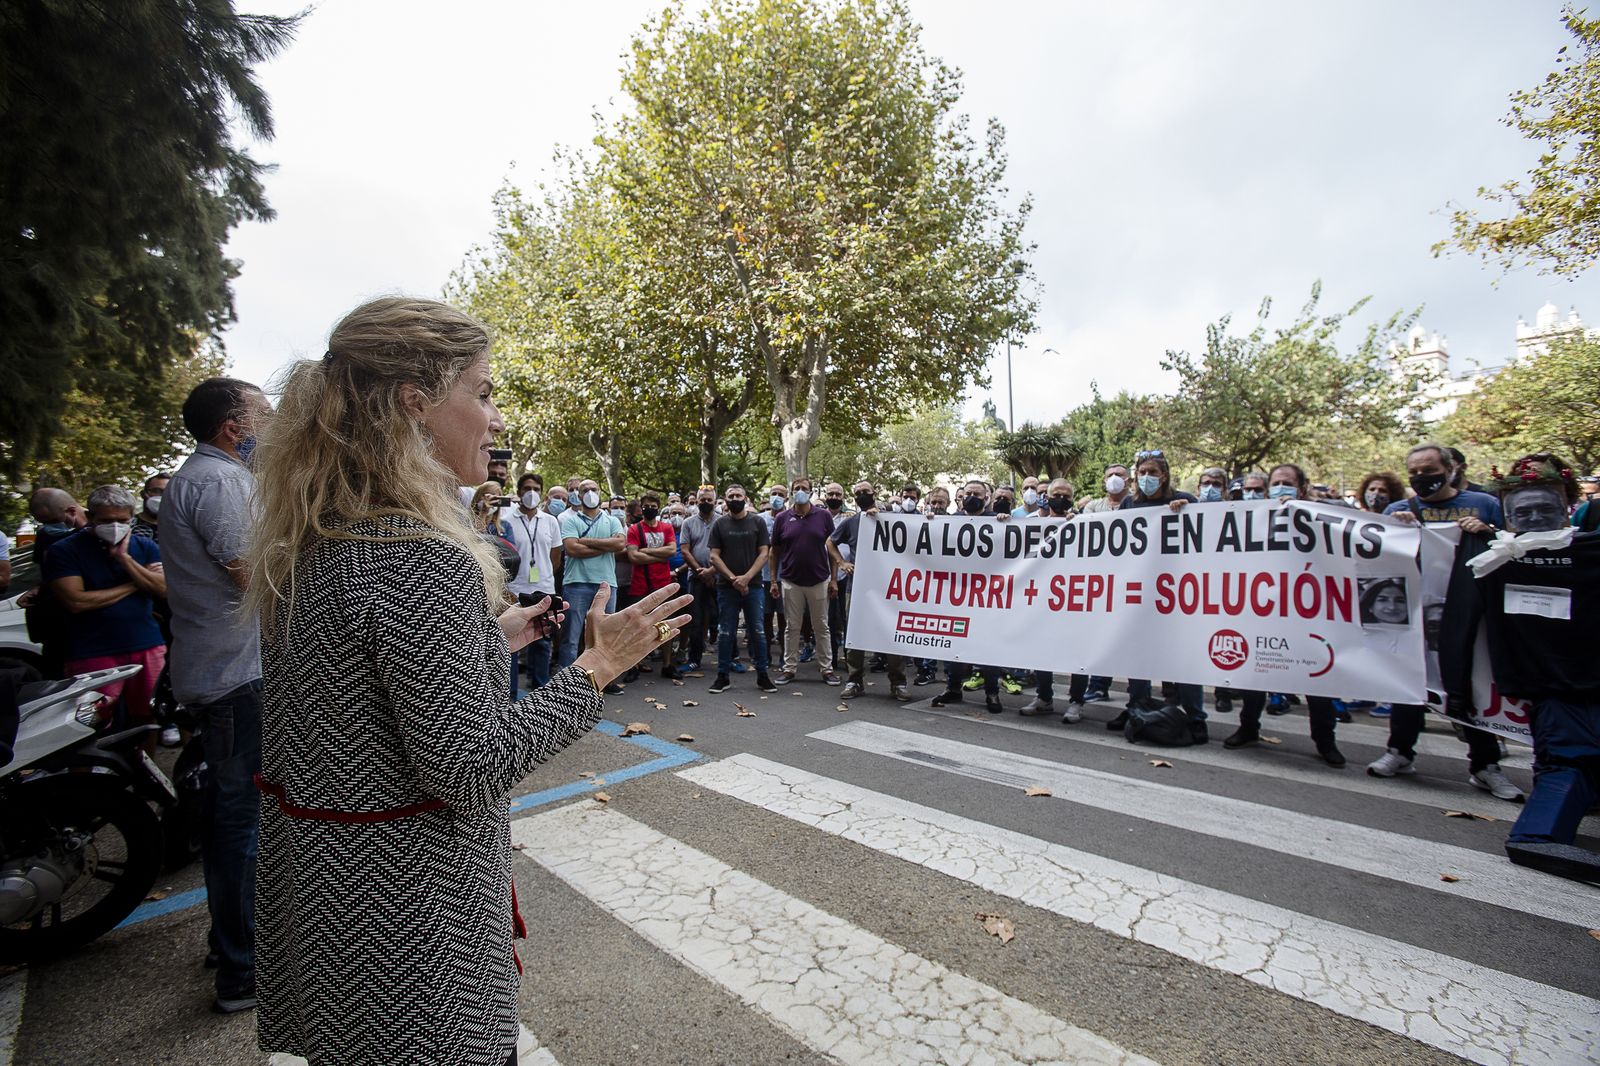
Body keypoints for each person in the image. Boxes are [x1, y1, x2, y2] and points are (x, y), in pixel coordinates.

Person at [246, 296, 691, 1065]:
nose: (496, 419)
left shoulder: (315, 537)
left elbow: (357, 700)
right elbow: (467, 767)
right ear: (414, 404)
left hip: (331, 918)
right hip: (408, 938)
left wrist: (490, 638)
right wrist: (598, 667)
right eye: (483, 393)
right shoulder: (418, 555)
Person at [161, 375, 272, 1010]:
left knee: (240, 818)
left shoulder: (218, 479)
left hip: (230, 671)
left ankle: (230, 942)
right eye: (261, 412)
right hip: (235, 677)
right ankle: (241, 967)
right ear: (233, 427)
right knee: (239, 823)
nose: (270, 421)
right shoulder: (218, 481)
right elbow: (251, 574)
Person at [1442, 455, 1595, 881]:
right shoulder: (1495, 556)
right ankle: (1537, 834)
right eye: (1521, 512)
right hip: (1550, 684)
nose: (1532, 518)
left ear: (1565, 506)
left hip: (1585, 676)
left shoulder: (1589, 549)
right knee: (1566, 757)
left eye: (1543, 509)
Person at [1362, 445, 1521, 798]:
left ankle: (1485, 765)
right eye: (1414, 471)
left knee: (1471, 683)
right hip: (1416, 613)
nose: (1421, 476)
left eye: (1429, 469)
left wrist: (1487, 531)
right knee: (1410, 684)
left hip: (1467, 612)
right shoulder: (1398, 509)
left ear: (1450, 469)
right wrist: (1393, 527)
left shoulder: (1484, 505)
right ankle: (1400, 752)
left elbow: (1511, 548)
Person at [1223, 463, 1346, 766]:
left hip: (1307, 611)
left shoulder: (1320, 515)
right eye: (1274, 484)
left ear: (1302, 487)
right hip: (1262, 608)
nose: (1279, 489)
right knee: (1256, 672)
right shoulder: (1252, 519)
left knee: (1317, 678)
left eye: (1286, 483)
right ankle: (1248, 727)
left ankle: (1325, 740)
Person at [41, 484, 167, 747]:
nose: (115, 526)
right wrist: (136, 583)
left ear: (132, 517)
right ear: (91, 516)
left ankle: (144, 776)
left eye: (122, 520)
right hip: (92, 651)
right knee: (88, 723)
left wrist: (125, 560)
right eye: (106, 521)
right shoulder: (64, 551)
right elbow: (76, 601)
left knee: (147, 717)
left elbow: (164, 590)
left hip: (146, 644)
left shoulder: (143, 546)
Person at [1112, 451, 1206, 742]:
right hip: (1141, 592)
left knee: (1183, 658)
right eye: (1142, 472)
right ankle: (1135, 707)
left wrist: (1186, 513)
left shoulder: (1186, 501)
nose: (1146, 477)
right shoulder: (1131, 503)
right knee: (1138, 658)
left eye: (1152, 472)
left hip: (1177, 594)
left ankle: (1196, 718)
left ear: (1164, 475)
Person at [932, 479, 1007, 712]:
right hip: (956, 595)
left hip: (986, 597)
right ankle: (953, 688)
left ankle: (992, 693)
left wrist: (1006, 523)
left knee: (986, 646)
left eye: (977, 493)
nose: (972, 497)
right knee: (952, 644)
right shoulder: (949, 522)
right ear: (961, 497)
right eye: (968, 493)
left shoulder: (997, 521)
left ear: (987, 498)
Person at [833, 480, 910, 702]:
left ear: (874, 493)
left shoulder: (891, 518)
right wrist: (842, 563)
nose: (861, 495)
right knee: (854, 634)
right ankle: (854, 680)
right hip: (858, 587)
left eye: (865, 492)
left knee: (893, 632)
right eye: (857, 493)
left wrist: (881, 515)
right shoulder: (852, 522)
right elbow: (830, 543)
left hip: (890, 588)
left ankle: (898, 682)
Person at [1019, 478, 1084, 723]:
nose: (1060, 498)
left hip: (1072, 598)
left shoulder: (1081, 522)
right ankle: (1044, 698)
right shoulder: (1031, 524)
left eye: (1066, 495)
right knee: (1040, 651)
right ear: (1045, 495)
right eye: (1056, 493)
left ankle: (1077, 701)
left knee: (1078, 653)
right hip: (1041, 599)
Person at [555, 478, 627, 690]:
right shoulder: (570, 520)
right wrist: (606, 546)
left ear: (600, 492)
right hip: (576, 583)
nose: (589, 493)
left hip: (606, 585)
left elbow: (620, 543)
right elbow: (571, 549)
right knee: (571, 636)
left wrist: (583, 541)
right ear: (578, 495)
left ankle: (604, 680)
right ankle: (567, 684)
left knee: (604, 636)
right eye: (584, 490)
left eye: (593, 489)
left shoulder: (612, 520)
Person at [768, 476, 840, 686]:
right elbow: (775, 552)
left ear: (810, 492)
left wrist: (834, 579)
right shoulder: (782, 518)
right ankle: (789, 668)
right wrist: (773, 580)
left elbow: (832, 549)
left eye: (804, 488)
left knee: (822, 626)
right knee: (792, 627)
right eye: (797, 488)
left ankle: (827, 669)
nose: (800, 491)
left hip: (819, 580)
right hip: (791, 581)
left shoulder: (823, 516)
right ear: (791, 492)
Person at [707, 484, 776, 694]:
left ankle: (763, 675)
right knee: (726, 632)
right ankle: (722, 675)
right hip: (726, 587)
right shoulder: (719, 524)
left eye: (738, 495)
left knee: (757, 631)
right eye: (731, 496)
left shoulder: (757, 522)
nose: (735, 498)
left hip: (754, 586)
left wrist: (746, 578)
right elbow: (714, 556)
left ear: (746, 498)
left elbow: (764, 553)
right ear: (725, 500)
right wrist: (732, 578)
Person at [508, 474, 562, 689]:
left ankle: (540, 687)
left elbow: (555, 557)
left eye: (536, 488)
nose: (532, 492)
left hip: (544, 589)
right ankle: (509, 692)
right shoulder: (505, 519)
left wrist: (546, 576)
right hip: (513, 589)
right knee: (511, 643)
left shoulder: (550, 521)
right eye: (527, 488)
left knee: (542, 640)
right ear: (519, 491)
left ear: (542, 492)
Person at [623, 492, 679, 681]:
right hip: (640, 584)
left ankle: (667, 664)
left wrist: (645, 551)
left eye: (654, 506)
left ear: (659, 507)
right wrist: (659, 555)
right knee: (637, 626)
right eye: (646, 506)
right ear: (641, 507)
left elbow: (672, 550)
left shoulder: (666, 528)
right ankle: (634, 665)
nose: (650, 509)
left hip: (662, 582)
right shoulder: (634, 529)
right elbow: (633, 556)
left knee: (665, 624)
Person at [678, 485, 719, 671]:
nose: (706, 503)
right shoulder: (688, 523)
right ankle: (694, 659)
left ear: (715, 501)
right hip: (696, 578)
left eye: (709, 500)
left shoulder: (722, 522)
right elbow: (685, 551)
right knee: (695, 620)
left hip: (720, 576)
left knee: (723, 617)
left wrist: (712, 571)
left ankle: (730, 659)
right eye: (703, 500)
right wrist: (701, 571)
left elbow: (727, 550)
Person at [131, 472, 170, 542]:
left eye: (168, 492)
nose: (162, 496)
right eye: (157, 491)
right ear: (143, 494)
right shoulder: (129, 524)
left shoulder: (179, 527)